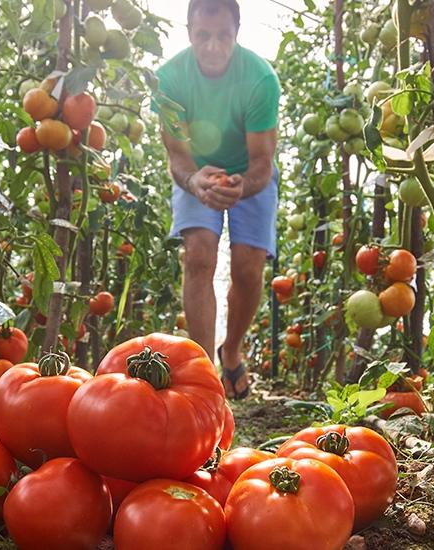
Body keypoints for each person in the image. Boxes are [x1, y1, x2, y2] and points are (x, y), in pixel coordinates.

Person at [153, 0, 281, 399]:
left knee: (248, 268)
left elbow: (262, 159)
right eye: (203, 35)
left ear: (236, 33)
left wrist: (241, 187)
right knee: (199, 256)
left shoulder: (260, 79)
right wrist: (194, 181)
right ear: (189, 31)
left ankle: (232, 351)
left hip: (251, 175)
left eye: (222, 35)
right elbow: (177, 154)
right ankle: (204, 372)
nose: (212, 46)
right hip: (197, 171)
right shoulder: (168, 80)